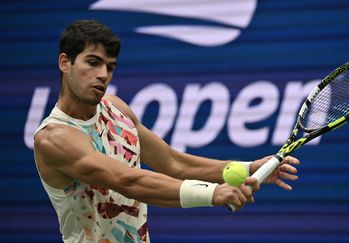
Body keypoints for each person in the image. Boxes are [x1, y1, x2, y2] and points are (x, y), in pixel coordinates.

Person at [33, 19, 300, 243]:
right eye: (92, 62)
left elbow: (174, 162)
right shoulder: (54, 138)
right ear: (65, 63)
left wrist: (249, 168)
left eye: (110, 67)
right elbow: (128, 181)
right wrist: (213, 193)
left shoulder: (116, 109)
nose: (103, 74)